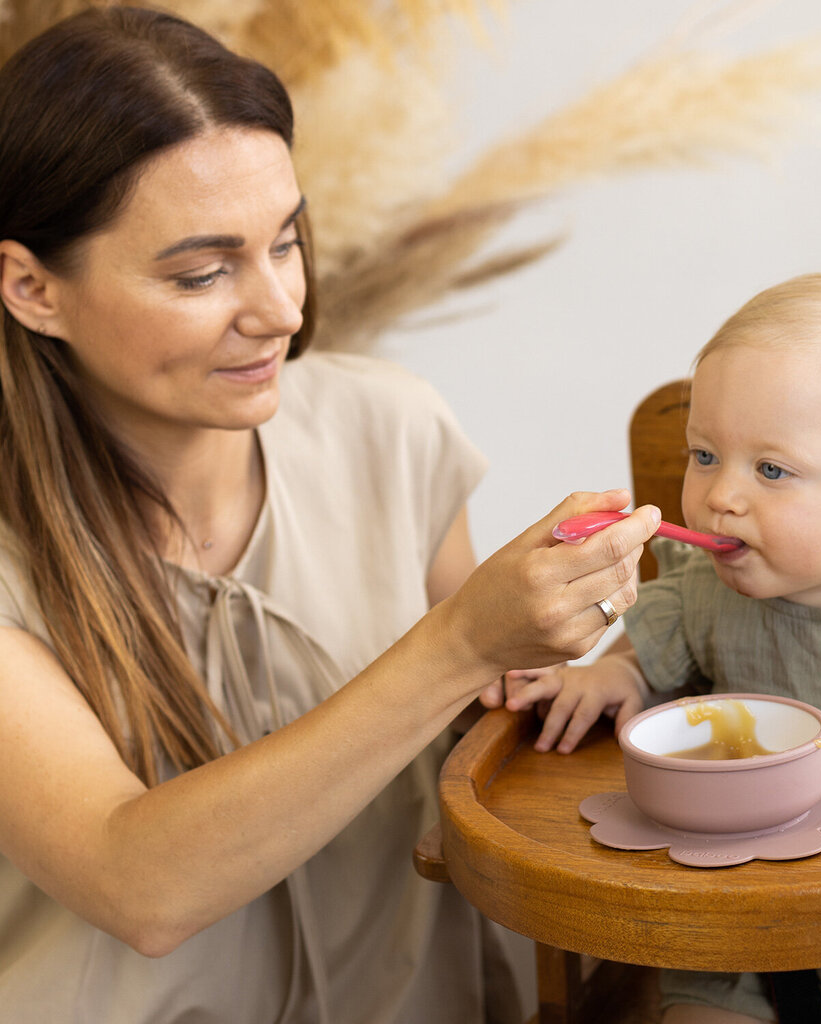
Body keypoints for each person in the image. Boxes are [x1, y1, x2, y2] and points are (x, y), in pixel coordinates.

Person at [0, 7, 662, 1023]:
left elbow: (493, 752)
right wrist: (457, 641)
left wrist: (586, 677)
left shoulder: (389, 429)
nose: (280, 310)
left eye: (286, 241)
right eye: (201, 272)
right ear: (33, 287)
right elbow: (137, 885)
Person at [501, 272, 821, 1024]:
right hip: (748, 943)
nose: (720, 496)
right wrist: (610, 677)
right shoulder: (700, 596)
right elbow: (638, 662)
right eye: (705, 455)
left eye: (771, 470)